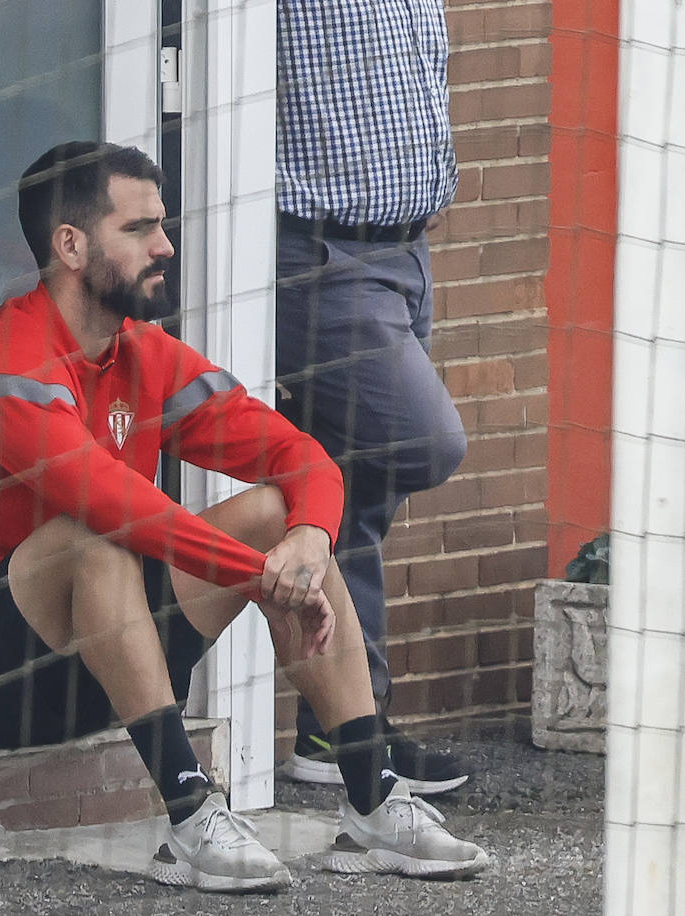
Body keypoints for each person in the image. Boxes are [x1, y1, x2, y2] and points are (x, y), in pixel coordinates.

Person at [0, 141, 488, 893]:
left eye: (164, 224)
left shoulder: (142, 352)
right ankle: (189, 814)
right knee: (96, 534)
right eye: (141, 228)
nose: (165, 245)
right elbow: (114, 504)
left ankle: (375, 801)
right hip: (16, 674)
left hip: (123, 634)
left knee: (283, 511)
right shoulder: (13, 358)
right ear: (71, 246)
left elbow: (300, 455)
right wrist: (265, 580)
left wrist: (306, 545)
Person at [275, 1, 471, 794]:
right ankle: (340, 725)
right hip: (320, 253)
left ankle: (341, 729)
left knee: (349, 491)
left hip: (405, 249)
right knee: (424, 441)